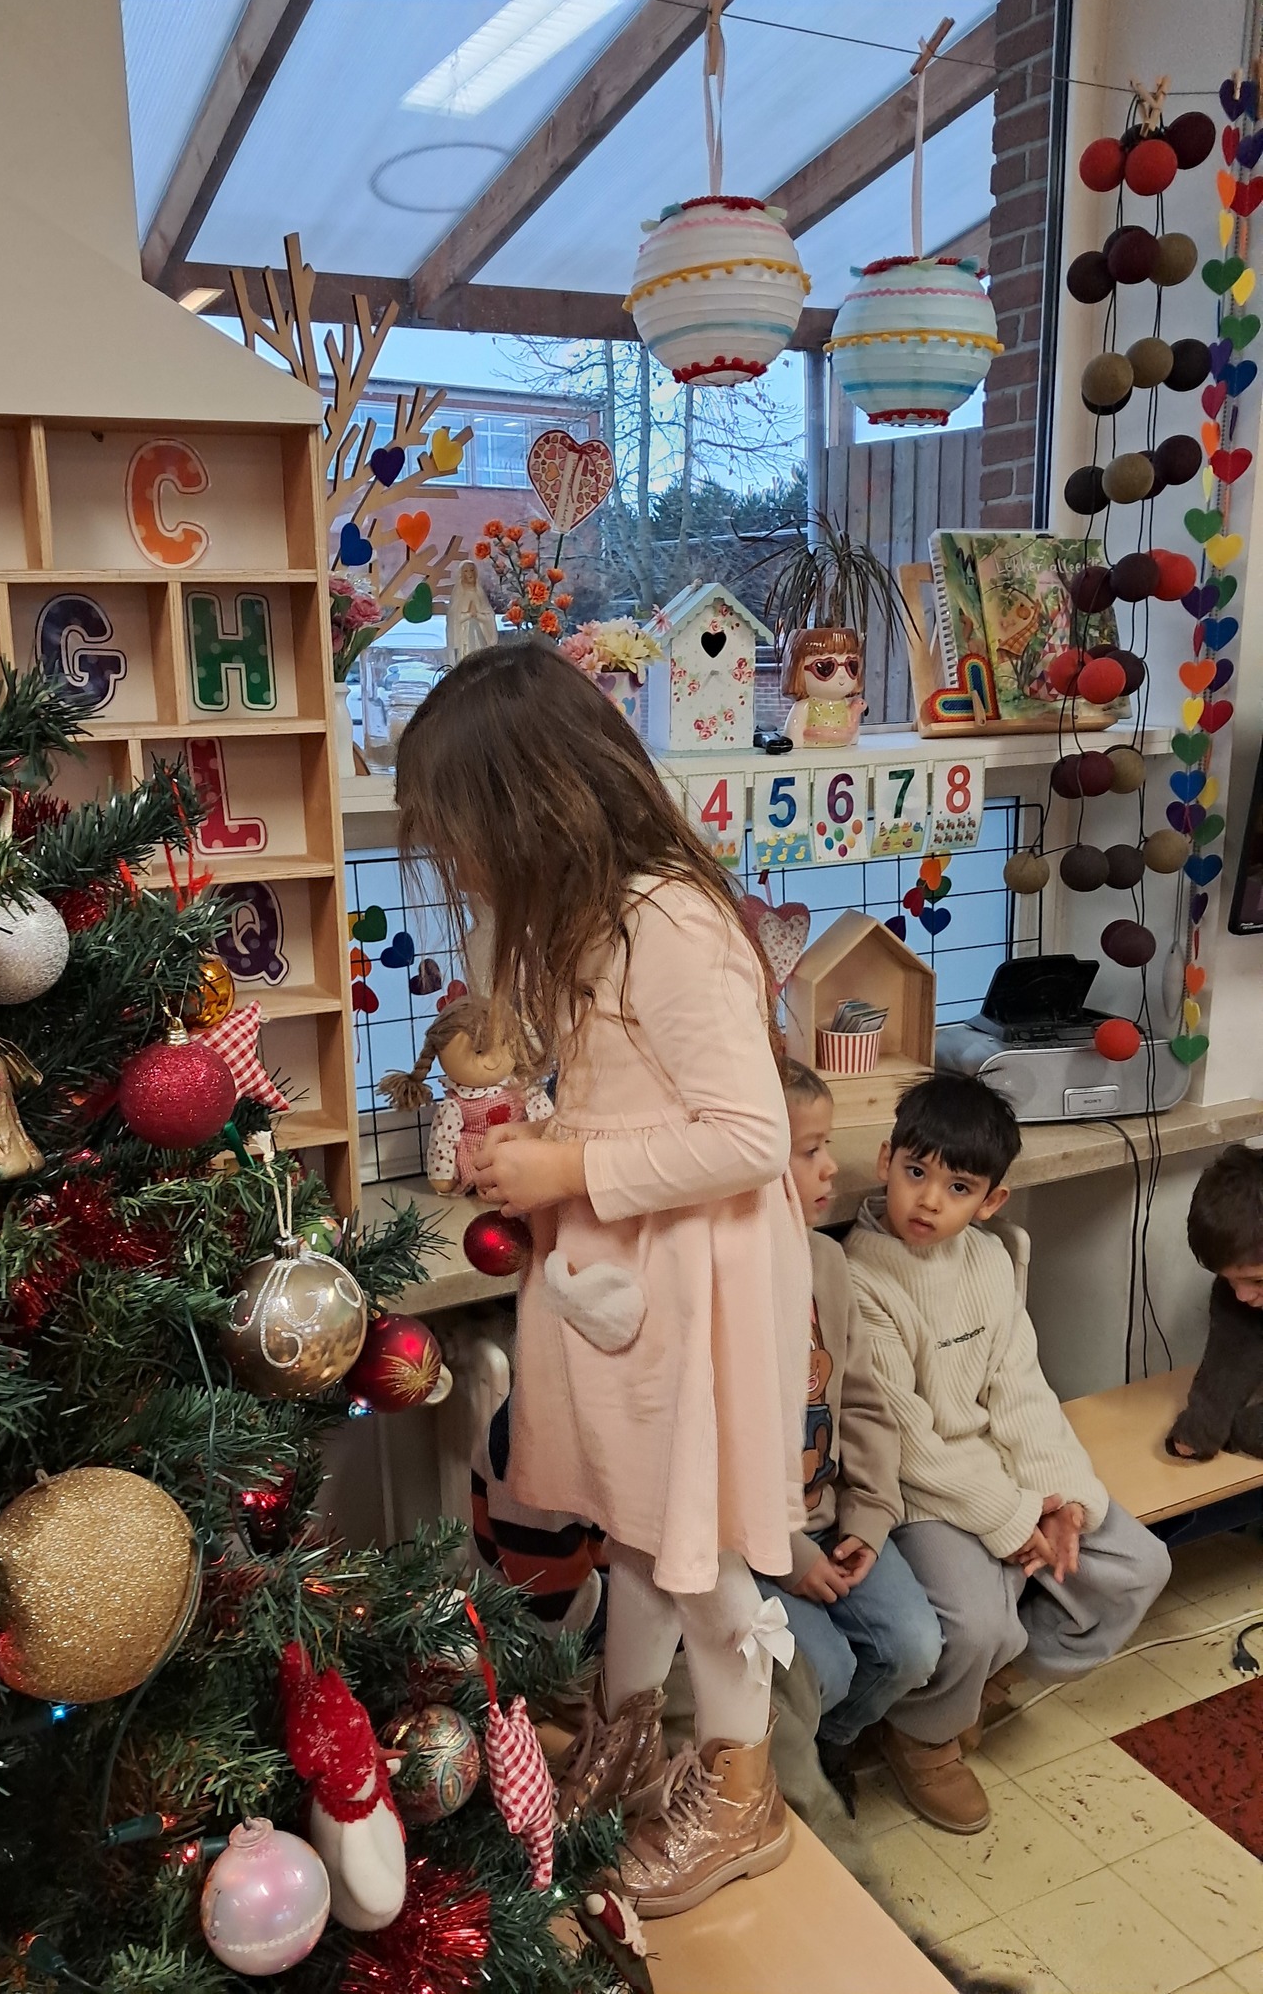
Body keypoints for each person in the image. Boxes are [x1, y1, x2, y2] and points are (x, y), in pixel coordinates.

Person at [395, 638, 812, 1918]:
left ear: (527, 803)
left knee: (693, 1544)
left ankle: (743, 1787)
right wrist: (538, 1152)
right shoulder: (591, 923)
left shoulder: (667, 922)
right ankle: (628, 1738)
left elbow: (747, 1135)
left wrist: (567, 1162)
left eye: (457, 829)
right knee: (634, 1524)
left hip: (695, 1286)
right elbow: (644, 1106)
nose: (452, 858)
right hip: (631, 1282)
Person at [844, 1072, 1170, 1836]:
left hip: (1004, 1474)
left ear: (991, 1201)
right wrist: (1014, 1518)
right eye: (915, 1172)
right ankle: (922, 1735)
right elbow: (907, 1444)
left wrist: (1061, 1500)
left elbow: (1021, 1388)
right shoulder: (859, 1276)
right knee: (976, 1623)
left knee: (1139, 1566)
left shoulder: (988, 1261)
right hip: (926, 1494)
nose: (929, 1200)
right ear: (886, 1161)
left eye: (957, 1187)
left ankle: (990, 1683)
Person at [754, 1062, 942, 1785]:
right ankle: (789, 1772)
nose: (831, 1167)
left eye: (826, 1145)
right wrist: (785, 1555)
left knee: (915, 1647)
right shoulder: (714, 1288)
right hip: (753, 1548)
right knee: (824, 1670)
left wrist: (869, 1516)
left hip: (833, 1518)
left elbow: (861, 1403)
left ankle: (823, 1749)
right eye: (809, 1151)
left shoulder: (825, 1262)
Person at [1167, 1145, 1263, 1460]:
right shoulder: (1235, 1296)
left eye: (1257, 1281)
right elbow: (1232, 1354)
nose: (1242, 1295)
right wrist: (1202, 1428)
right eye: (1229, 1279)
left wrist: (1242, 1430)